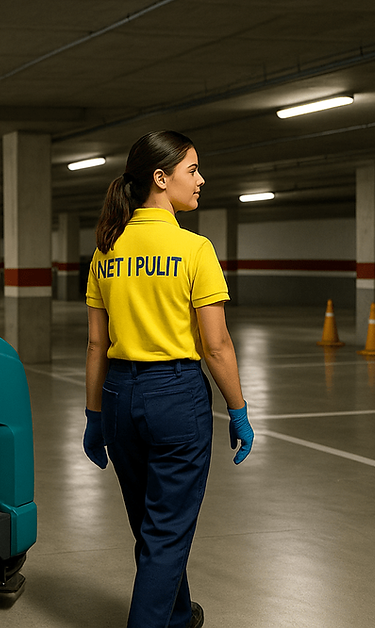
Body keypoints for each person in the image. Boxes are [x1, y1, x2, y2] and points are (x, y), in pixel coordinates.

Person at [82, 131, 254, 628]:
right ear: (161, 178)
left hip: (118, 396)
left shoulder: (105, 252)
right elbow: (216, 345)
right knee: (166, 532)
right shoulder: (194, 250)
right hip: (176, 397)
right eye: (192, 170)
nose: (201, 180)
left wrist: (95, 417)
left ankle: (178, 615)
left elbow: (96, 345)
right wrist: (238, 410)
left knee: (152, 526)